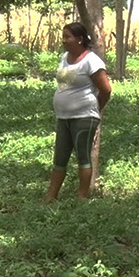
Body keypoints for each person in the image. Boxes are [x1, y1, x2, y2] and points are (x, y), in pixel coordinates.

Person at [44, 22, 112, 202]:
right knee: (59, 158)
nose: (64, 40)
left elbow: (106, 90)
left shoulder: (91, 61)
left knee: (82, 157)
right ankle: (50, 196)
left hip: (84, 117)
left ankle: (82, 197)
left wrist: (95, 109)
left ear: (80, 39)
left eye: (68, 37)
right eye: (63, 37)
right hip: (63, 117)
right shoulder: (64, 58)